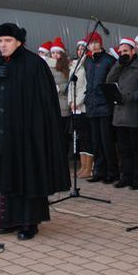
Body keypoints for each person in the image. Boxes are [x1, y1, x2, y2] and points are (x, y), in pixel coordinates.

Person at [0, 23, 70, 240]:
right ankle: (6, 220)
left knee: (27, 175)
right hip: (2, 133)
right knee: (5, 176)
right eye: (0, 41)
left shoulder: (33, 64)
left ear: (19, 42)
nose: (2, 45)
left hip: (27, 134)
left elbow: (44, 102)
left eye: (7, 41)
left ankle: (29, 222)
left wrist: (34, 130)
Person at [106, 38, 138, 190]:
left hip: (134, 113)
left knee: (137, 149)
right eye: (121, 52)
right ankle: (126, 176)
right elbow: (109, 80)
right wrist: (118, 64)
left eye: (126, 51)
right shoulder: (120, 66)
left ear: (133, 51)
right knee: (123, 149)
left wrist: (128, 97)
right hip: (120, 115)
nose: (123, 54)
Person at [83, 31, 118, 183]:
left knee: (107, 141)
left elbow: (112, 81)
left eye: (96, 42)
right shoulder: (88, 61)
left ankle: (112, 171)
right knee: (96, 141)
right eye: (91, 43)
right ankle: (99, 170)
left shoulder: (108, 60)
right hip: (92, 105)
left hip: (104, 105)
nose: (93, 45)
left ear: (101, 43)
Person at [69, 39, 92, 179]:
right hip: (74, 106)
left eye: (83, 49)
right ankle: (83, 166)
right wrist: (71, 101)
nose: (80, 51)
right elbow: (71, 85)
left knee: (87, 137)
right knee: (80, 137)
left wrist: (77, 101)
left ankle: (89, 167)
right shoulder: (74, 65)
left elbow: (86, 86)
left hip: (83, 106)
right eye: (78, 49)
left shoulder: (87, 65)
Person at [48, 37, 72, 156]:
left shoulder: (66, 68)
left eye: (57, 52)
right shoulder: (48, 67)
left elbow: (67, 85)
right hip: (51, 106)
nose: (55, 55)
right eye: (53, 52)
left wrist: (57, 88)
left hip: (62, 106)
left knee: (62, 134)